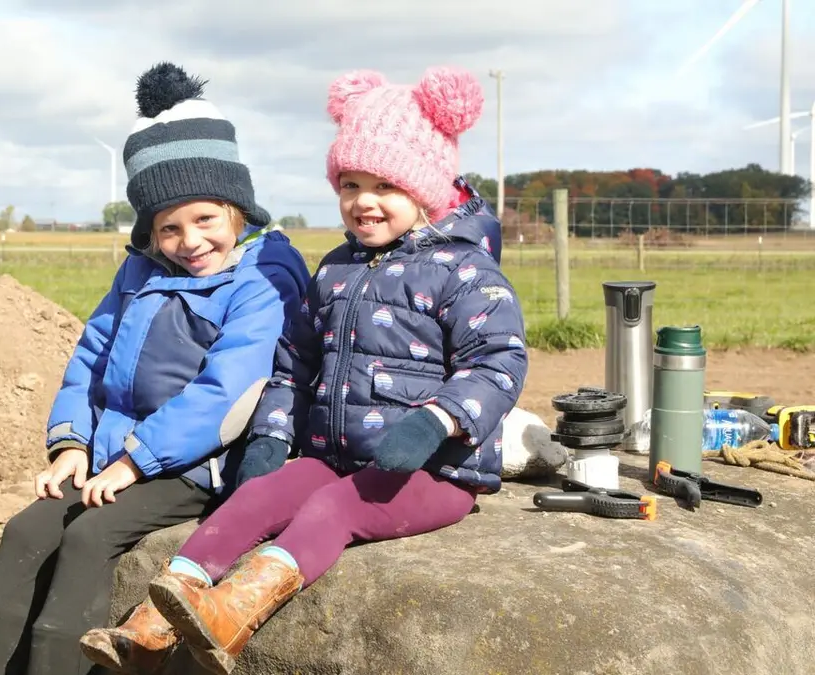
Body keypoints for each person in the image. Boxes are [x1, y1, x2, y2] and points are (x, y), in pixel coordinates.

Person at [80, 65, 529, 675]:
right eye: (350, 184)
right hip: (338, 455)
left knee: (331, 511)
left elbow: (497, 362)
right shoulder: (337, 270)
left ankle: (230, 613)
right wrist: (271, 435)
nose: (363, 200)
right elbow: (294, 364)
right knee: (257, 496)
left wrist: (436, 422)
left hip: (433, 471)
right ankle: (156, 620)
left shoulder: (465, 272)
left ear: (424, 189)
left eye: (385, 185)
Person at [0, 62, 310, 675]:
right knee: (29, 531)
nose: (189, 241)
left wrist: (137, 458)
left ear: (237, 210)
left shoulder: (261, 281)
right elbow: (90, 357)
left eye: (204, 220)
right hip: (110, 453)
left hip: (189, 463)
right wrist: (71, 444)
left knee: (88, 536)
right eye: (168, 228)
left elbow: (227, 392)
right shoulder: (137, 273)